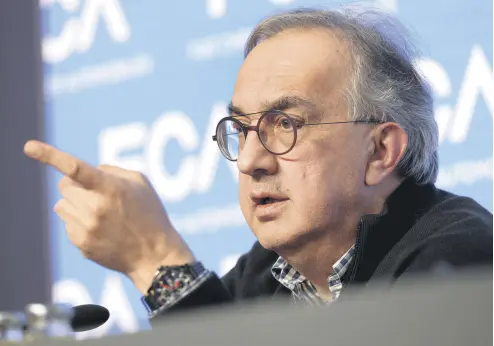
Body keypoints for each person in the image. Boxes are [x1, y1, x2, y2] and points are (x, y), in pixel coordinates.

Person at [24, 7, 492, 319]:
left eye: (284, 124)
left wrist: (157, 262)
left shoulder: (460, 258)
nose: (249, 160)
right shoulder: (263, 275)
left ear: (380, 152)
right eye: (242, 129)